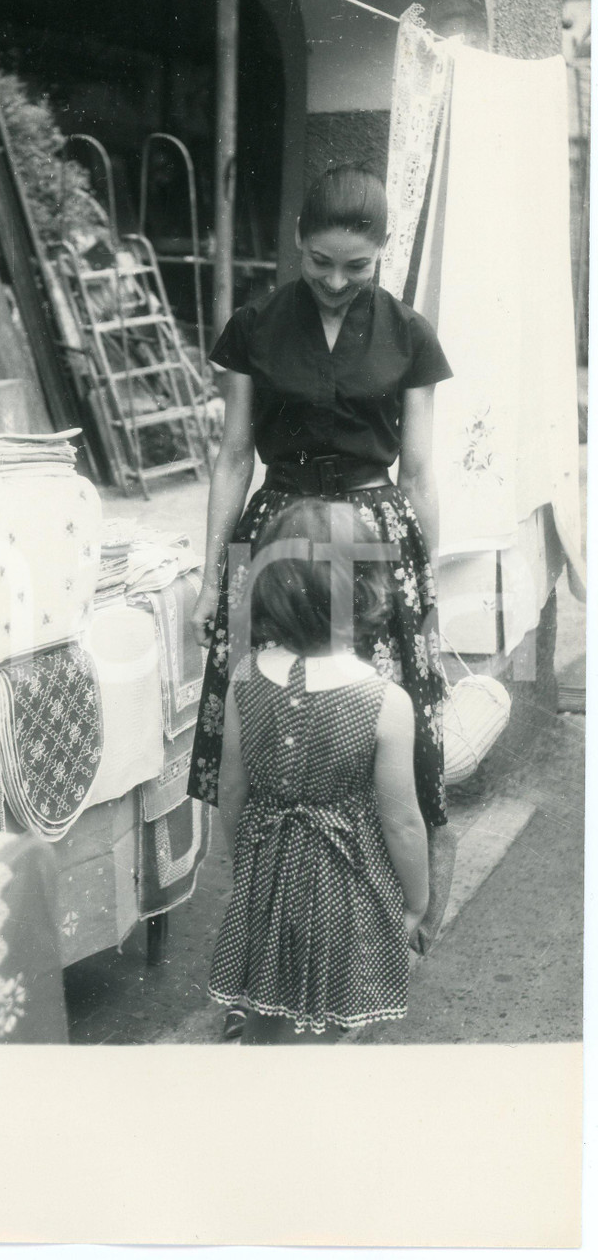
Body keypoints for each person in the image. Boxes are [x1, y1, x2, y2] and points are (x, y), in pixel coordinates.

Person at [188, 164, 451, 832]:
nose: (335, 282)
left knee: (377, 708)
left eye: (356, 267)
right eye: (319, 262)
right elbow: (235, 457)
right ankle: (262, 862)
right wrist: (211, 577)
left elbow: (418, 473)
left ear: (383, 249)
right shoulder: (253, 326)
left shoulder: (410, 334)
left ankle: (373, 870)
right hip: (274, 530)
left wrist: (426, 589)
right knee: (260, 705)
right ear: (299, 238)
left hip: (375, 536)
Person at [208, 498, 430, 1044]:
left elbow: (231, 790)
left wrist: (245, 866)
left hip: (265, 872)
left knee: (266, 1004)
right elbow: (402, 823)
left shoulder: (244, 678)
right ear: (366, 590)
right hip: (347, 885)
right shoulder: (385, 701)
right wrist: (417, 901)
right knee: (324, 1020)